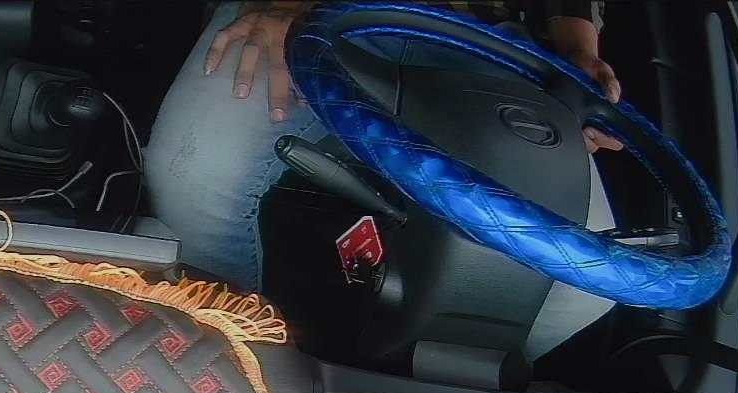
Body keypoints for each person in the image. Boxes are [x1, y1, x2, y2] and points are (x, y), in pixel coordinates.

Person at [146, 1, 624, 293]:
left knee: (582, 284)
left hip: (484, 41)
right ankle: (230, 365)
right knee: (199, 177)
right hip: (312, 15)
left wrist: (577, 54)